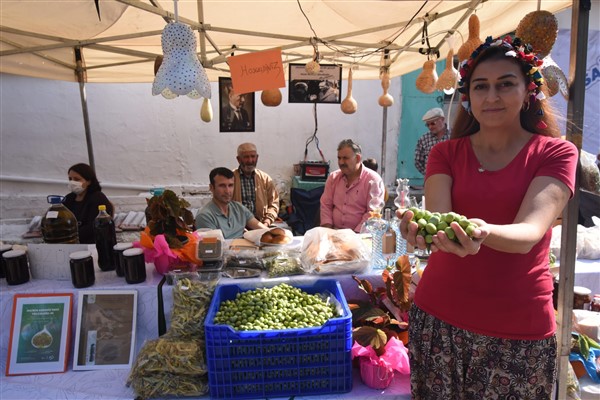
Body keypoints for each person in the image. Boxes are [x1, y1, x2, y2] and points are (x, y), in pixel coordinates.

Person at [398, 36, 578, 399]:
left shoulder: (555, 153)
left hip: (518, 331)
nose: (491, 96)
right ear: (467, 95)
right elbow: (437, 219)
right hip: (439, 319)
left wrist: (476, 230)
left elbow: (530, 231)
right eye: (481, 86)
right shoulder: (446, 153)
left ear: (529, 90)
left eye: (505, 84)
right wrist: (418, 230)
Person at [320, 139, 385, 232]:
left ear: (358, 158)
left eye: (345, 158)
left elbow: (372, 213)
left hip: (361, 235)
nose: (341, 162)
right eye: (339, 158)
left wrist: (354, 237)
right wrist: (327, 233)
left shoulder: (373, 180)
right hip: (334, 233)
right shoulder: (333, 178)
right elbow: (326, 205)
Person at [195, 167, 268, 239]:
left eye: (230, 185)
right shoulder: (205, 216)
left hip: (248, 250)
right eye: (222, 186)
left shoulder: (239, 208)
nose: (227, 191)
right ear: (211, 188)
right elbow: (214, 248)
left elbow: (264, 230)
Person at [62, 163, 114, 244]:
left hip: (92, 244)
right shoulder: (68, 198)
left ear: (88, 181)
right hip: (70, 242)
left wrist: (70, 236)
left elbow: (93, 227)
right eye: (70, 179)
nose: (72, 182)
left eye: (77, 179)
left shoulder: (98, 198)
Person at [232, 143, 280, 226]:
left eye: (253, 156)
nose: (250, 161)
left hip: (261, 224)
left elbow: (274, 204)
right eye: (246, 157)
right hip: (236, 226)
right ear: (238, 159)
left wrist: (266, 222)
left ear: (257, 157)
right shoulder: (230, 179)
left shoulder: (265, 179)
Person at [414, 107, 450, 176]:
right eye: (427, 125)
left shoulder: (454, 136)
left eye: (433, 123)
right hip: (431, 180)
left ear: (442, 119)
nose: (430, 127)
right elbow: (418, 161)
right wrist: (429, 174)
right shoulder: (424, 139)